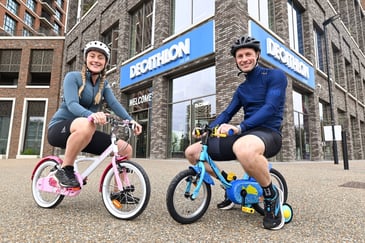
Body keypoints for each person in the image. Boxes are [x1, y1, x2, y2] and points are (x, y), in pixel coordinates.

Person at [185, 35, 287, 230]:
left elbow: (271, 107)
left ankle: (271, 195)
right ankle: (230, 185)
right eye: (240, 56)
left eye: (248, 54)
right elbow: (227, 113)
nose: (244, 59)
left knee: (243, 148)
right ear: (236, 61)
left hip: (268, 133)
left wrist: (239, 127)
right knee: (193, 152)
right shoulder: (242, 89)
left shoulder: (276, 76)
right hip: (245, 133)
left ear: (257, 55)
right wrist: (207, 129)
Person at [47, 40, 142, 189]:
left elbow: (114, 104)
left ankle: (120, 190)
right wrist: (91, 115)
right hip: (59, 129)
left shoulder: (103, 85)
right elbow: (72, 104)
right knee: (88, 123)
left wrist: (130, 121)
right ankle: (65, 169)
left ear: (106, 63)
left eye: (100, 57)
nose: (96, 60)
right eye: (92, 56)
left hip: (85, 132)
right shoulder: (72, 77)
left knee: (125, 149)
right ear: (86, 59)